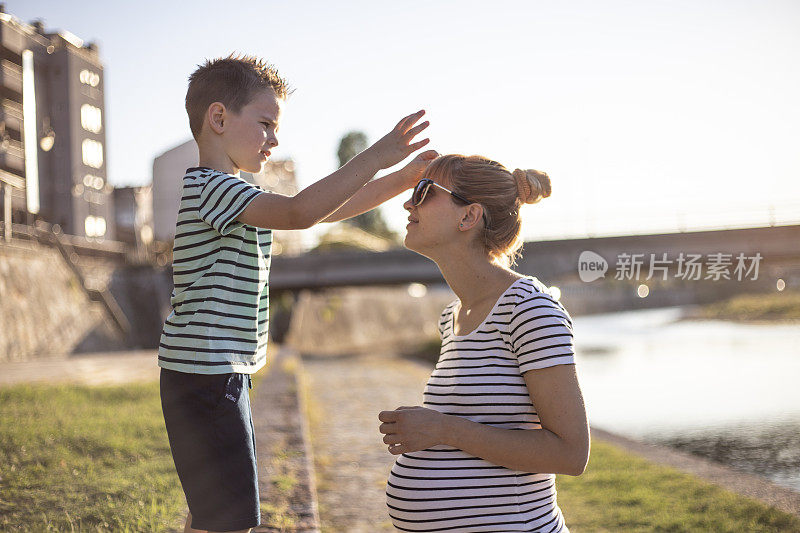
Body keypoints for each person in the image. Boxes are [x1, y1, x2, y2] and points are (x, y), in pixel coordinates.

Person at [158, 54, 435, 533]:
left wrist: (402, 179)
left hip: (212, 373)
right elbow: (303, 211)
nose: (275, 138)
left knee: (213, 513)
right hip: (206, 376)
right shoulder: (213, 189)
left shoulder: (234, 194)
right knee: (229, 519)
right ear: (219, 118)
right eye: (266, 123)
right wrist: (380, 153)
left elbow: (325, 209)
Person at [378, 154, 590, 532]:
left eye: (425, 191)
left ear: (468, 216)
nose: (408, 203)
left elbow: (572, 453)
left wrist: (443, 430)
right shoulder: (453, 316)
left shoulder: (529, 309)